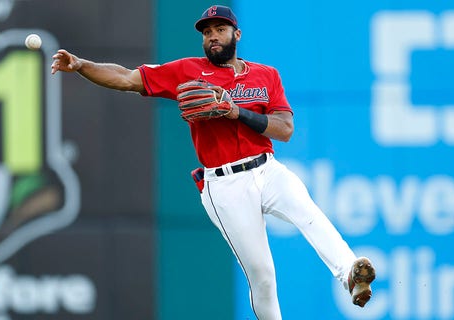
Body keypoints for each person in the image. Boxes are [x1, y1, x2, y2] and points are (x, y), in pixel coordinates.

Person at [51, 4, 375, 319]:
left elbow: (285, 129)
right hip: (224, 185)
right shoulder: (187, 72)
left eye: (220, 29)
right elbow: (126, 78)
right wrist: (81, 65)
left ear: (237, 34)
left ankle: (349, 272)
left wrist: (237, 111)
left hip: (266, 167)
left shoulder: (266, 75)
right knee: (261, 274)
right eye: (207, 32)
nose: (213, 36)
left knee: (309, 213)